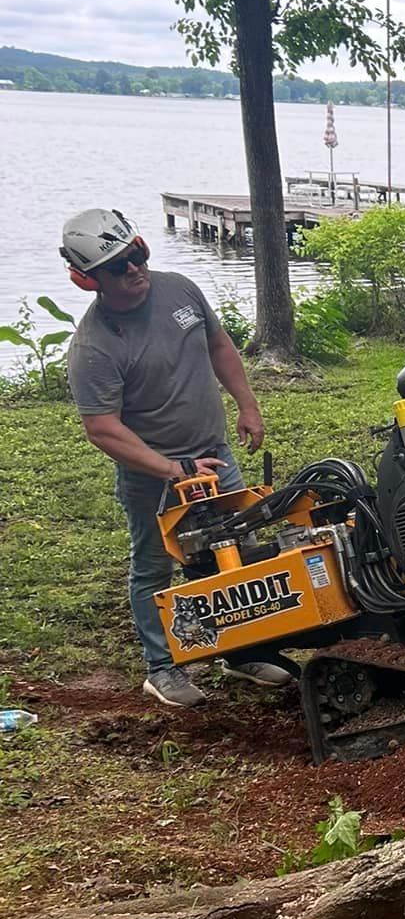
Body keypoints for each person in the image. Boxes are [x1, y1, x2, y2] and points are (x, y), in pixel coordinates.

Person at [61, 206, 293, 710]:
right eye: (118, 266)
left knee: (237, 549)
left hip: (216, 454)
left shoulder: (180, 290)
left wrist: (247, 405)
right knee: (154, 566)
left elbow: (219, 344)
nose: (134, 268)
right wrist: (173, 469)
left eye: (137, 253)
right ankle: (162, 668)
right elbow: (102, 428)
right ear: (89, 280)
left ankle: (242, 650)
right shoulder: (95, 347)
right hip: (154, 474)